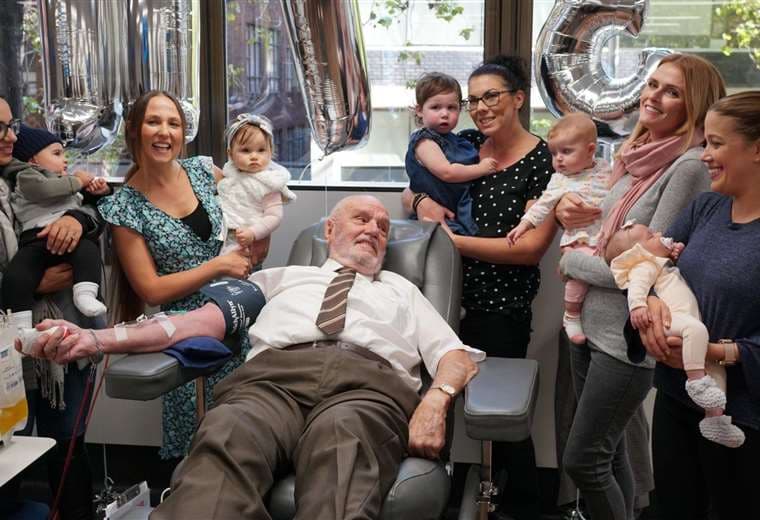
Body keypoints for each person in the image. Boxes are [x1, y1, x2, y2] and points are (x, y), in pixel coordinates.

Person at [21, 195, 485, 519]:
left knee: (344, 446)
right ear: (330, 230)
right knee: (228, 433)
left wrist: (435, 401)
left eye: (383, 228)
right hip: (270, 383)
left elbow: (455, 356)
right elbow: (194, 323)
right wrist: (95, 339)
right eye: (361, 219)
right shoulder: (278, 279)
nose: (374, 230)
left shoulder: (403, 290)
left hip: (365, 389)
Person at [555, 54, 726, 520]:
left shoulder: (687, 166)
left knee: (583, 461)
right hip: (592, 325)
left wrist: (572, 261)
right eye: (652, 84)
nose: (654, 96)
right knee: (610, 456)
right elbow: (607, 233)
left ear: (694, 106)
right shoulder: (636, 156)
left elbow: (647, 264)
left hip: (625, 338)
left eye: (672, 92)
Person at [404, 55, 555, 520]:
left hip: (500, 306)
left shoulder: (542, 160)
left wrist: (453, 243)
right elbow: (411, 189)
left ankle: (524, 507)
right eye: (474, 100)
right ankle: (430, 498)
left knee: (499, 414)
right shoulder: (465, 143)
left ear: (518, 98)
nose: (480, 108)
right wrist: (422, 201)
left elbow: (529, 249)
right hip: (441, 300)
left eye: (491, 96)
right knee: (431, 404)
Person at [97, 90, 260, 460]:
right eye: (154, 122)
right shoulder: (125, 208)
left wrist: (257, 236)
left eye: (173, 123)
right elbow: (151, 290)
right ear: (134, 130)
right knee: (202, 449)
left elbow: (246, 206)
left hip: (241, 314)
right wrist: (217, 266)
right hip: (188, 336)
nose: (164, 132)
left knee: (252, 436)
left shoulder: (203, 171)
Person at [637, 91, 760, 519]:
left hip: (745, 417)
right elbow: (651, 268)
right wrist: (651, 312)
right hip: (677, 399)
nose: (704, 155)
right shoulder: (705, 207)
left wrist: (713, 353)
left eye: (716, 144)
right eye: (705, 142)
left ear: (757, 149)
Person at [0, 96, 103, 520]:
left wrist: (78, 220)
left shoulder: (25, 172)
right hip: (11, 344)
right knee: (12, 449)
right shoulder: (24, 178)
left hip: (63, 332)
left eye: (11, 126)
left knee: (68, 439)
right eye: (0, 128)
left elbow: (95, 210)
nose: (10, 136)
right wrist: (31, 283)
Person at [607, 223, 744, 448]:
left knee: (717, 368)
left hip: (683, 321)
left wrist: (675, 254)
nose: (659, 234)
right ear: (636, 253)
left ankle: (714, 417)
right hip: (671, 321)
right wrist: (638, 306)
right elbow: (637, 285)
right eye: (651, 236)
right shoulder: (645, 264)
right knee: (697, 331)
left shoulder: (661, 263)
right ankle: (696, 381)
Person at [508, 113, 609, 344]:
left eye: (566, 152)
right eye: (554, 153)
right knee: (578, 279)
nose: (558, 159)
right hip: (579, 240)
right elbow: (542, 205)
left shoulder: (604, 168)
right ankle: (571, 315)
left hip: (604, 237)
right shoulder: (560, 180)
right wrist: (523, 225)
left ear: (590, 150)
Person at [2, 124, 109, 318]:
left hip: (70, 253)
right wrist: (78, 182)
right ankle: (18, 321)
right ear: (33, 160)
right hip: (36, 237)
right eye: (57, 153)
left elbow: (96, 211)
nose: (65, 159)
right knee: (17, 275)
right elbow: (45, 190)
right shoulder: (27, 175)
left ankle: (86, 294)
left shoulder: (63, 180)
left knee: (88, 251)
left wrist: (96, 195)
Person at [406, 71, 497, 235]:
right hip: (435, 220)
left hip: (456, 213)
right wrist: (481, 169)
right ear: (419, 110)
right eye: (435, 107)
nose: (444, 114)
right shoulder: (424, 141)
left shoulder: (459, 140)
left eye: (451, 108)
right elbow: (447, 172)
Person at [217, 113, 296, 257]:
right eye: (246, 150)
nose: (254, 156)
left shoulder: (269, 183)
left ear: (270, 152)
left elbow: (274, 216)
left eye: (261, 150)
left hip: (248, 240)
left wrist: (253, 233)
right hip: (222, 235)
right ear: (231, 154)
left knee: (239, 267)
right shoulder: (229, 174)